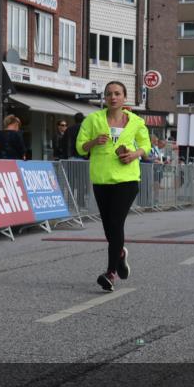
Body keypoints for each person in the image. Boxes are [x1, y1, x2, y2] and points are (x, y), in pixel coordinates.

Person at [76, 80, 151, 292]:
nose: (113, 97)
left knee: (116, 223)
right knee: (109, 227)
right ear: (105, 98)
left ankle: (110, 273)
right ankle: (120, 253)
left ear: (124, 97)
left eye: (117, 93)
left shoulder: (136, 121)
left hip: (127, 180)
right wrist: (93, 142)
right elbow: (80, 148)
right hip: (101, 180)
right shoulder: (93, 120)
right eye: (109, 94)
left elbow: (146, 146)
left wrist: (135, 154)